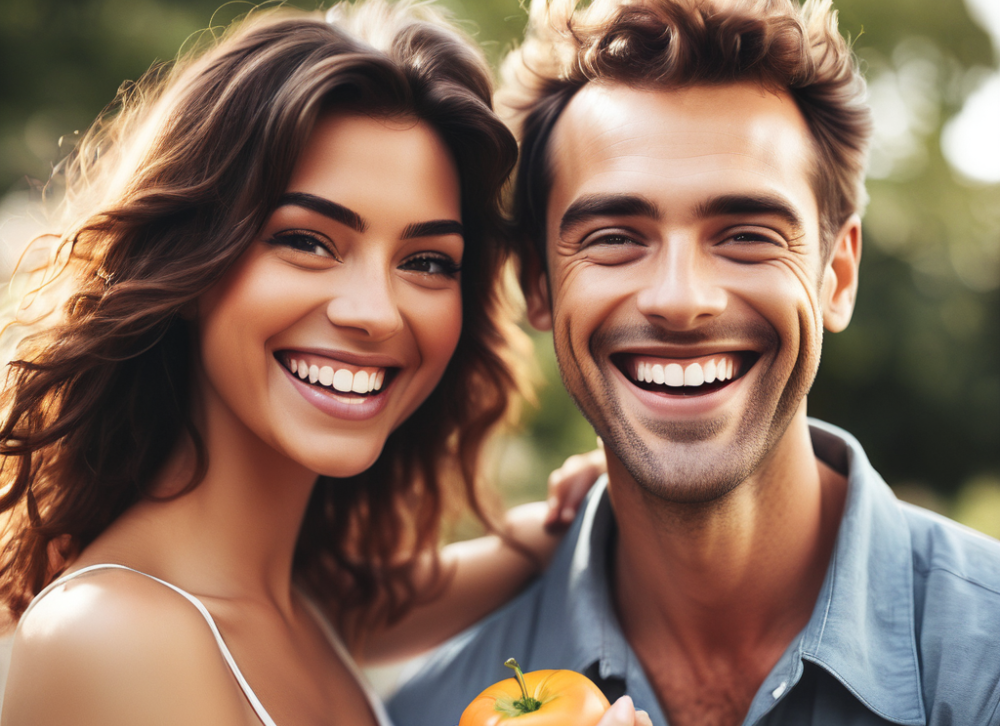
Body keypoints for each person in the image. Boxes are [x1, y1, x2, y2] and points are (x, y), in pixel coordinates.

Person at [0, 3, 647, 725]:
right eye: (308, 241)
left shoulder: (313, 602)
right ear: (187, 263)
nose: (374, 311)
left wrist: (604, 484)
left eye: (428, 261)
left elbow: (500, 559)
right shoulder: (112, 634)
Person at [387, 0, 1000, 725]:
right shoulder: (437, 707)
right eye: (615, 237)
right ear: (537, 286)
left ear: (837, 274)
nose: (681, 301)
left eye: (745, 234)